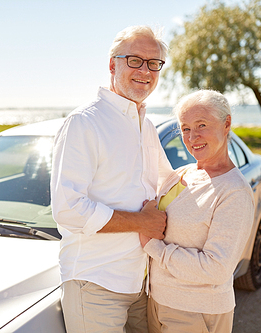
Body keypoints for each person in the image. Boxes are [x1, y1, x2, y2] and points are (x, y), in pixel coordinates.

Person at [50, 25, 173, 332]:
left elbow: (168, 183)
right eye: (134, 60)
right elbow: (68, 209)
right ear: (112, 65)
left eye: (153, 63)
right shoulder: (85, 122)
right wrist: (142, 222)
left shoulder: (146, 126)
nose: (145, 70)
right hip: (96, 284)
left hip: (141, 283)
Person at [140, 90, 255, 333]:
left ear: (226, 124)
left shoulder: (234, 192)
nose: (193, 137)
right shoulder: (181, 174)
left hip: (197, 313)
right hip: (158, 302)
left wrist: (153, 246)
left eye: (201, 125)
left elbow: (216, 268)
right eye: (185, 128)